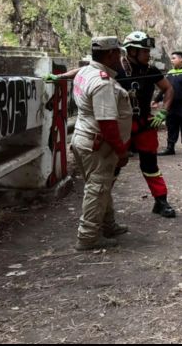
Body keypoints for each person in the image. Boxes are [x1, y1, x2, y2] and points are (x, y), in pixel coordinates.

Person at [70, 37, 132, 251]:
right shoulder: (102, 82)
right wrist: (121, 151)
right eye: (118, 53)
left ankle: (108, 225)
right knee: (97, 187)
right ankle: (87, 236)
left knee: (100, 185)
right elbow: (107, 123)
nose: (121, 57)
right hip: (98, 144)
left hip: (83, 138)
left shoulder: (84, 72)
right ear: (110, 55)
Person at [119, 31, 178, 218]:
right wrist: (63, 75)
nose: (148, 54)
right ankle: (102, 206)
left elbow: (168, 88)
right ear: (132, 52)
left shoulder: (151, 71)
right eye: (144, 51)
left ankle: (161, 201)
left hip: (144, 124)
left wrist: (163, 111)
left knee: (150, 165)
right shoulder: (116, 69)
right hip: (122, 125)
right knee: (113, 165)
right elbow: (87, 71)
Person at [156, 51, 182, 158]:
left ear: (181, 59)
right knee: (171, 126)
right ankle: (170, 148)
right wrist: (156, 99)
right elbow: (165, 88)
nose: (171, 60)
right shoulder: (170, 72)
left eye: (174, 58)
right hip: (171, 105)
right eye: (171, 58)